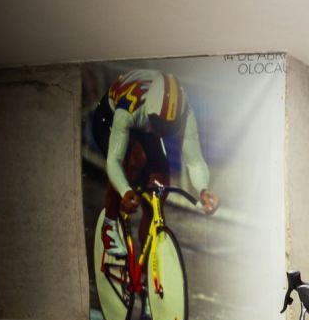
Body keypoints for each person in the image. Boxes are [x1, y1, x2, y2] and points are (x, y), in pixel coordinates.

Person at [92, 69, 219, 260]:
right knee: (134, 159)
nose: (161, 133)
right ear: (151, 113)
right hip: (109, 117)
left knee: (159, 189)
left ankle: (147, 267)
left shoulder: (185, 112)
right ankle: (109, 224)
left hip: (144, 122)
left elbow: (194, 161)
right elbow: (114, 160)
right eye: (158, 126)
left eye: (168, 129)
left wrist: (203, 189)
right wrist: (125, 190)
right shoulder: (128, 109)